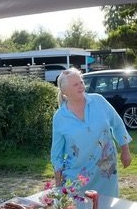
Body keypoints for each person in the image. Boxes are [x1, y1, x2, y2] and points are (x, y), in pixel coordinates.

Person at [51, 68, 132, 197]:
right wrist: (57, 183)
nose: (81, 86)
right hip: (76, 177)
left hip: (105, 173)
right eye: (75, 84)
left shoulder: (99, 101)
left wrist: (125, 151)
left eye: (81, 82)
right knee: (77, 208)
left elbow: (118, 124)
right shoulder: (60, 117)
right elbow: (57, 152)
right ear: (65, 91)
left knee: (107, 207)